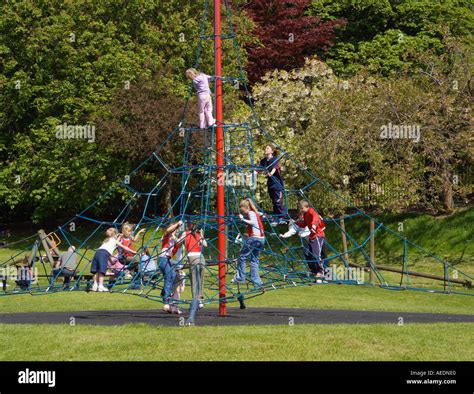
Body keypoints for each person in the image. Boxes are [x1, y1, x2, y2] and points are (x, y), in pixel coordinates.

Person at [90, 228, 137, 292]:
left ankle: (95, 285)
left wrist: (111, 262)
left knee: (97, 270)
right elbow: (124, 247)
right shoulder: (114, 240)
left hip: (97, 253)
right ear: (115, 234)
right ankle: (100, 286)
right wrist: (133, 251)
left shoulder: (106, 240)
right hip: (103, 254)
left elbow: (107, 252)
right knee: (101, 271)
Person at [233, 198, 265, 287]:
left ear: (246, 207)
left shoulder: (251, 213)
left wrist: (243, 219)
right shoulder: (255, 213)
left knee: (242, 256)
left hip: (255, 238)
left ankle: (240, 277)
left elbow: (253, 222)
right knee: (254, 259)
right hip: (261, 238)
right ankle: (257, 282)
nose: (242, 212)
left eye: (242, 210)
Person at [295, 200, 327, 278]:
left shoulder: (311, 211)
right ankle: (314, 270)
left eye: (302, 208)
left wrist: (313, 226)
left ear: (307, 207)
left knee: (317, 254)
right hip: (312, 236)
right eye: (300, 208)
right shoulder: (305, 214)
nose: (301, 210)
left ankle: (321, 271)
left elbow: (315, 218)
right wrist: (295, 222)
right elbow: (304, 224)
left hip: (318, 236)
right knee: (308, 253)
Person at [259, 145, 287, 226]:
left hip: (277, 183)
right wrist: (251, 174)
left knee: (278, 201)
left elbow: (274, 167)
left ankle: (284, 218)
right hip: (270, 183)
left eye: (267, 148)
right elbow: (259, 169)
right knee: (274, 202)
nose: (265, 149)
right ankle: (277, 218)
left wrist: (271, 173)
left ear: (271, 151)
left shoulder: (274, 159)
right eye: (265, 148)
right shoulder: (263, 161)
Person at [183, 222, 208, 310]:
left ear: (187, 227)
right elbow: (205, 244)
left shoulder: (185, 234)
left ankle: (195, 300)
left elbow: (178, 241)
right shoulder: (197, 235)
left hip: (192, 257)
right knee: (200, 280)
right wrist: (201, 234)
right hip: (201, 258)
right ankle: (200, 300)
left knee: (194, 280)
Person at [158, 221, 182, 309]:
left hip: (168, 260)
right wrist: (177, 224)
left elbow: (179, 244)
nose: (176, 231)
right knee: (168, 277)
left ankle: (165, 293)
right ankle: (166, 301)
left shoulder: (174, 239)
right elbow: (168, 230)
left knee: (173, 275)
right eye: (175, 230)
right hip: (163, 258)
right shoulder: (166, 236)